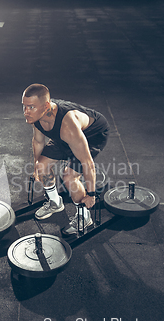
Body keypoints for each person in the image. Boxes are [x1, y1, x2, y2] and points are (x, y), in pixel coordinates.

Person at [22, 84, 109, 236]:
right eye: (24, 107)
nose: (26, 112)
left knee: (69, 176)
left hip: (92, 135)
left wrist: (91, 194)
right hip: (64, 137)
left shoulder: (67, 125)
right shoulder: (37, 115)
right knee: (42, 167)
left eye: (31, 107)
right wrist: (37, 166)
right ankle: (56, 203)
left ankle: (85, 217)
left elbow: (88, 163)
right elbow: (38, 141)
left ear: (46, 106)